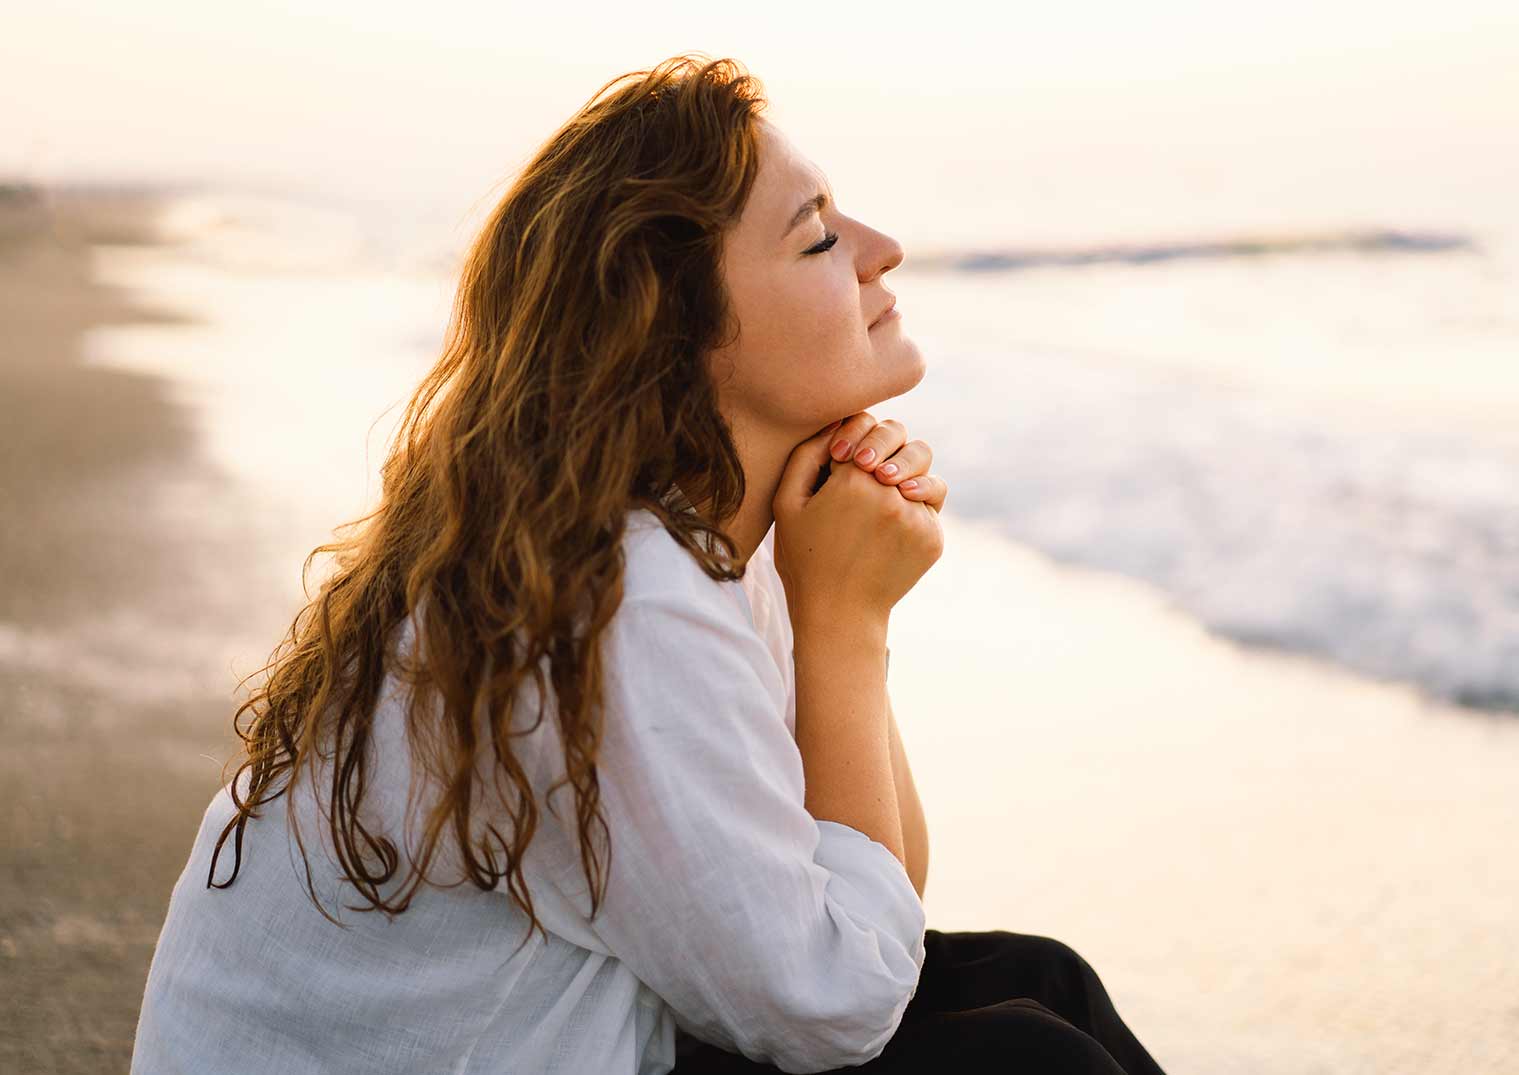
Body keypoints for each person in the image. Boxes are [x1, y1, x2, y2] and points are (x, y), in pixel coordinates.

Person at [130, 53, 1168, 1074]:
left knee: (1040, 979)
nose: (881, 248)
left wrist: (835, 606)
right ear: (672, 334)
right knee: (1026, 1057)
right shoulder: (613, 595)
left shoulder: (679, 537)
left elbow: (876, 914)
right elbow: (833, 1000)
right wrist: (848, 626)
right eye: (815, 240)